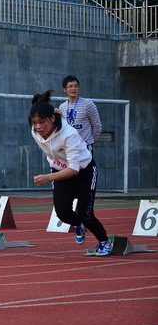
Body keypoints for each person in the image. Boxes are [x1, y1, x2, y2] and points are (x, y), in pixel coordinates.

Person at [29, 90, 111, 256]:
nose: (39, 127)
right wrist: (53, 172)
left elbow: (74, 169)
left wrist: (48, 177)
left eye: (42, 122)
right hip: (60, 170)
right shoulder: (35, 131)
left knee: (86, 214)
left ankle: (104, 242)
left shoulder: (69, 135)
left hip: (83, 170)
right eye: (35, 123)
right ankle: (78, 225)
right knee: (62, 212)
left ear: (52, 119)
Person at [58, 75, 102, 153]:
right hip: (69, 148)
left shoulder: (88, 104)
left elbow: (97, 126)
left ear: (79, 88)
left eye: (76, 86)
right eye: (70, 86)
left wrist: (90, 142)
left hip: (85, 147)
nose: (73, 89)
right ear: (65, 89)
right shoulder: (62, 107)